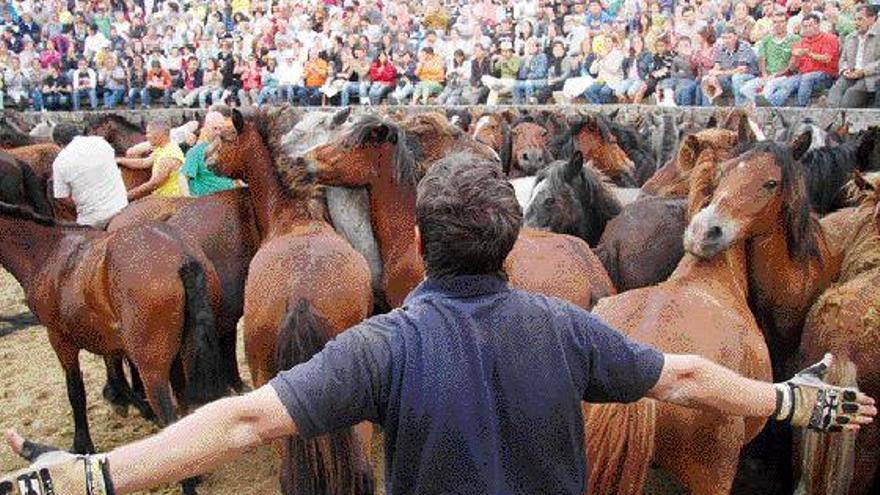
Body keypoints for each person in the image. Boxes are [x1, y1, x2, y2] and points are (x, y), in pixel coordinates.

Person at [1, 153, 875, 495]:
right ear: (511, 241)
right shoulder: (572, 330)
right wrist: (794, 404)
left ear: (416, 242)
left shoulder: (384, 346)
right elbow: (685, 375)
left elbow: (240, 415)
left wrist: (94, 475)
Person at [51, 123, 128, 229]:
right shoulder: (101, 142)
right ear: (77, 133)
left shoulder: (59, 162)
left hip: (92, 220)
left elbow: (61, 197)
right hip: (122, 207)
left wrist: (82, 206)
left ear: (58, 143)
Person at [763, 13, 839, 107]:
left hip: (825, 75)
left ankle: (800, 108)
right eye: (805, 26)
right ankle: (770, 106)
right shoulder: (802, 41)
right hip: (803, 75)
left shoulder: (830, 38)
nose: (807, 28)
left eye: (810, 25)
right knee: (788, 83)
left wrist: (808, 54)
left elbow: (827, 58)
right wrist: (795, 56)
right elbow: (793, 68)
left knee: (807, 78)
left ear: (818, 25)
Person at [738, 7, 800, 106]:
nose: (778, 25)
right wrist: (765, 75)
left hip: (785, 76)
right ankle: (762, 105)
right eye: (775, 22)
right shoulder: (766, 39)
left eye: (781, 22)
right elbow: (762, 59)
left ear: (786, 23)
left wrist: (775, 75)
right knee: (745, 88)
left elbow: (793, 63)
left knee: (769, 87)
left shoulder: (794, 39)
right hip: (768, 74)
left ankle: (761, 108)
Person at [118, 120, 187, 201]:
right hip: (160, 196)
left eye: (148, 133)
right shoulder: (163, 148)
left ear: (159, 135)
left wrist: (128, 195)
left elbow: (154, 183)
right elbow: (144, 162)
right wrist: (120, 160)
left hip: (171, 200)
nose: (146, 136)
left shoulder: (169, 156)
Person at [828, 4, 880, 108]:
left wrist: (863, 71)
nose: (856, 23)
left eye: (860, 19)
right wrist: (845, 70)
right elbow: (842, 59)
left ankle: (838, 120)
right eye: (855, 19)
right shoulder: (850, 37)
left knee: (850, 94)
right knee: (835, 90)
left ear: (872, 19)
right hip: (850, 75)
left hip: (869, 77)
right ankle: (834, 118)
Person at [180, 112, 237, 197]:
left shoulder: (230, 149)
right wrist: (189, 199)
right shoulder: (196, 151)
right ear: (206, 128)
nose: (218, 132)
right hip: (206, 203)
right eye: (214, 128)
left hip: (230, 201)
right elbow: (183, 177)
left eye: (220, 129)